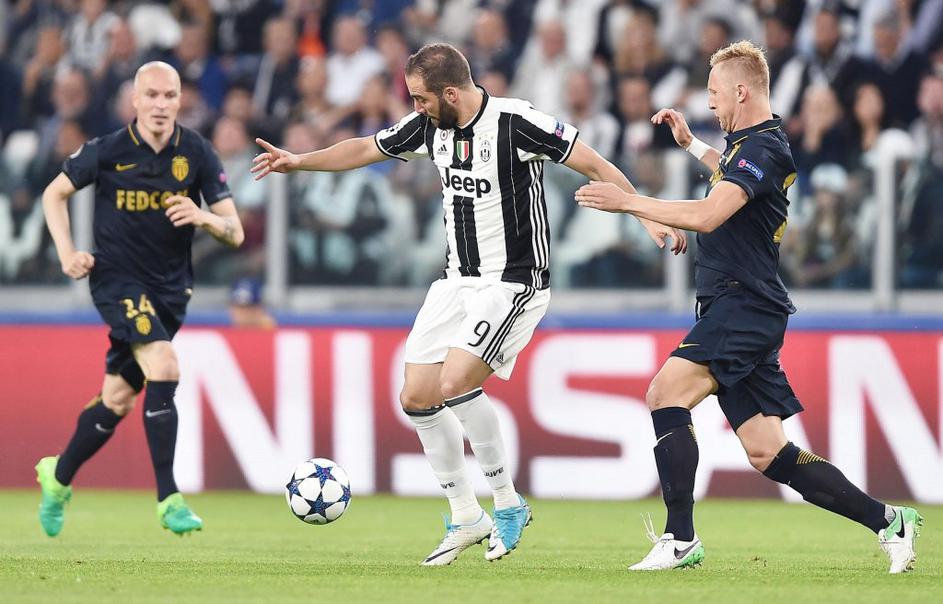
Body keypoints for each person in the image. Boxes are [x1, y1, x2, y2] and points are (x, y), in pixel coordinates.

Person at [253, 43, 685, 566]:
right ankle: (465, 515)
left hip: (514, 282)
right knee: (416, 396)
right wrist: (300, 162)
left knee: (455, 382)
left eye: (421, 98)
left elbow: (593, 163)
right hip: (457, 281)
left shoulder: (517, 122)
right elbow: (366, 148)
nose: (415, 107)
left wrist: (646, 213)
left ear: (451, 93)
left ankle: (507, 502)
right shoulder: (428, 127)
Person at [575, 40, 923, 574]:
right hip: (744, 305)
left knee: (665, 393)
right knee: (769, 454)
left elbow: (711, 213)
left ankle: (680, 538)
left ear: (741, 91)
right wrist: (692, 144)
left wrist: (630, 202)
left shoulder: (761, 148)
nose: (709, 101)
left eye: (714, 91)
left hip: (743, 304)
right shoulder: (749, 147)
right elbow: (731, 176)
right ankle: (890, 521)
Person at [37, 61, 245, 537]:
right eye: (151, 95)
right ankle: (169, 499)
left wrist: (204, 217)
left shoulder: (196, 152)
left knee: (117, 397)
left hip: (171, 292)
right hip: (117, 281)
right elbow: (54, 194)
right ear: (134, 100)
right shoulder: (108, 150)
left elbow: (234, 231)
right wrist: (67, 253)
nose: (160, 104)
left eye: (169, 96)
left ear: (180, 101)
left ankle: (57, 476)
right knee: (165, 365)